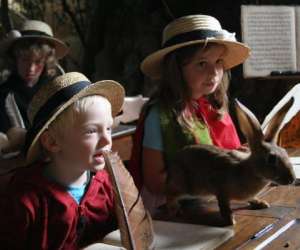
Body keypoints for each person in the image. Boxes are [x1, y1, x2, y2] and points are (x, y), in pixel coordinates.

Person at [128, 14, 251, 216]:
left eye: (218, 61)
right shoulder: (160, 116)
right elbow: (155, 182)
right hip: (172, 211)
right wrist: (209, 183)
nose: (214, 73)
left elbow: (226, 155)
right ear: (175, 69)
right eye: (202, 63)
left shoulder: (214, 109)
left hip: (215, 202)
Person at [0, 72, 125, 249]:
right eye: (91, 131)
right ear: (52, 142)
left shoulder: (105, 184)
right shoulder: (25, 200)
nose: (107, 141)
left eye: (108, 128)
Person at [0, 19, 69, 134]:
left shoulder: (57, 90)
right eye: (25, 60)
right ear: (15, 59)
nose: (31, 69)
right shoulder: (3, 94)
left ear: (47, 62)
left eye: (38, 61)